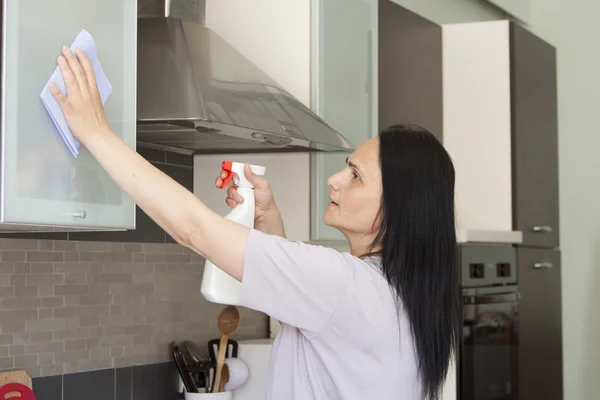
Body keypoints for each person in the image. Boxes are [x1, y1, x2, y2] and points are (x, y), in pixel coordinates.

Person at [50, 46, 460, 400]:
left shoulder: (346, 284)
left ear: (398, 208)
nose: (335, 179)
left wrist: (95, 131)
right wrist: (269, 221)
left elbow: (193, 228)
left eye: (355, 175)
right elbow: (317, 323)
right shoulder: (397, 295)